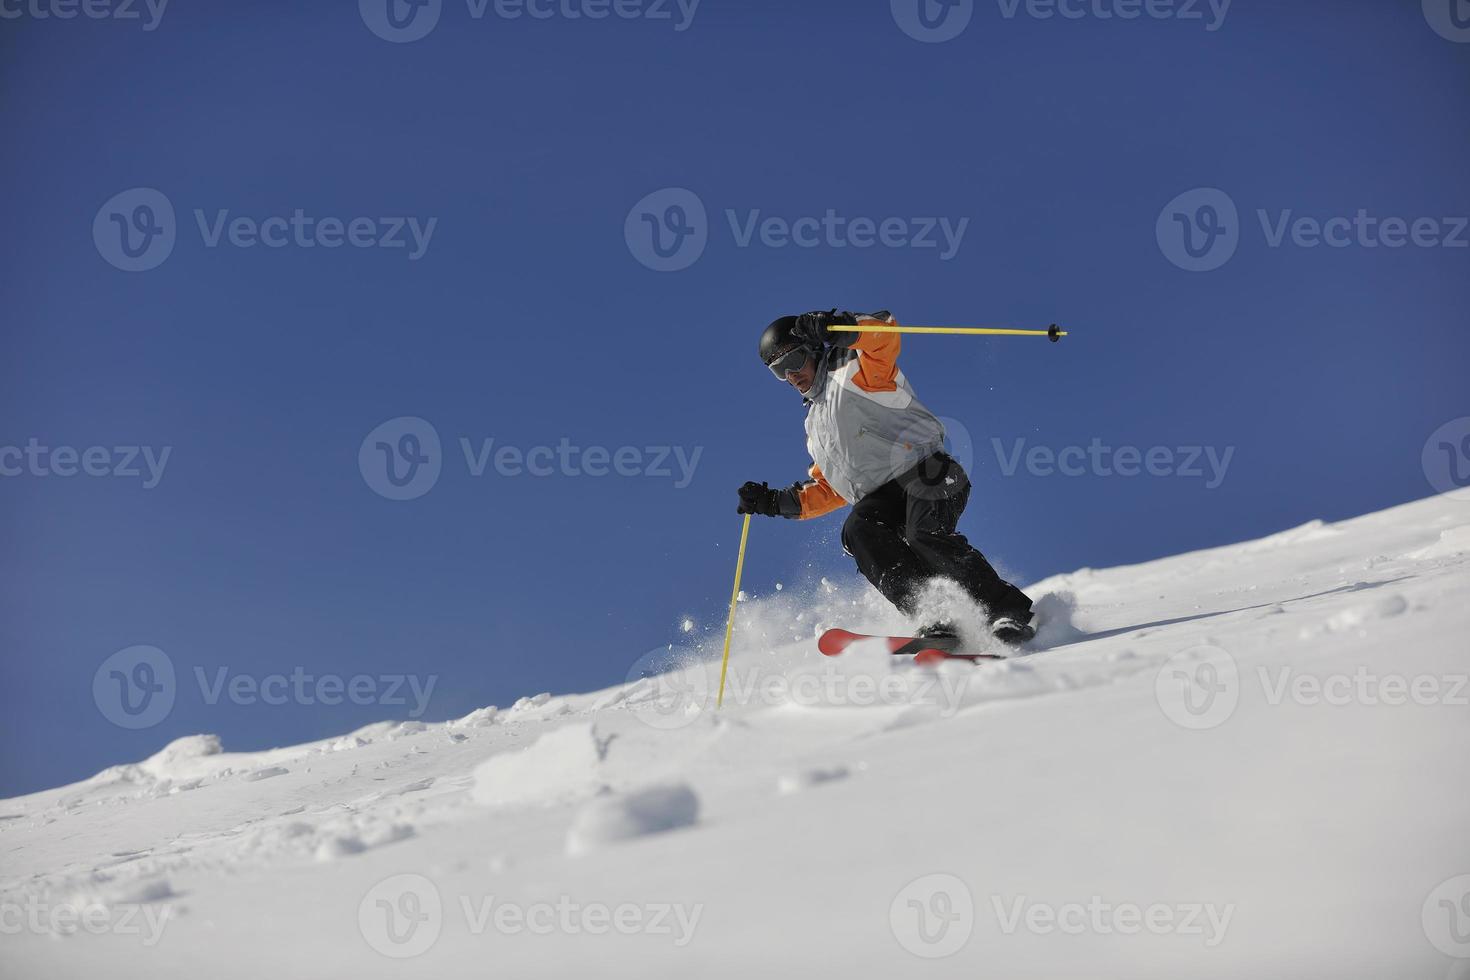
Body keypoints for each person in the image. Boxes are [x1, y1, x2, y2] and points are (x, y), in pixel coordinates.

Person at [736, 309, 1035, 643]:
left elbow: (885, 336)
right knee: (858, 530)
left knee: (922, 534)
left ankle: (1005, 609)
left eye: (793, 361)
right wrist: (774, 502)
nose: (790, 375)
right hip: (883, 495)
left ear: (813, 349)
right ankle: (935, 616)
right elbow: (831, 487)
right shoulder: (814, 426)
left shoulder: (857, 368)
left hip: (927, 469)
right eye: (779, 371)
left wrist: (844, 328)